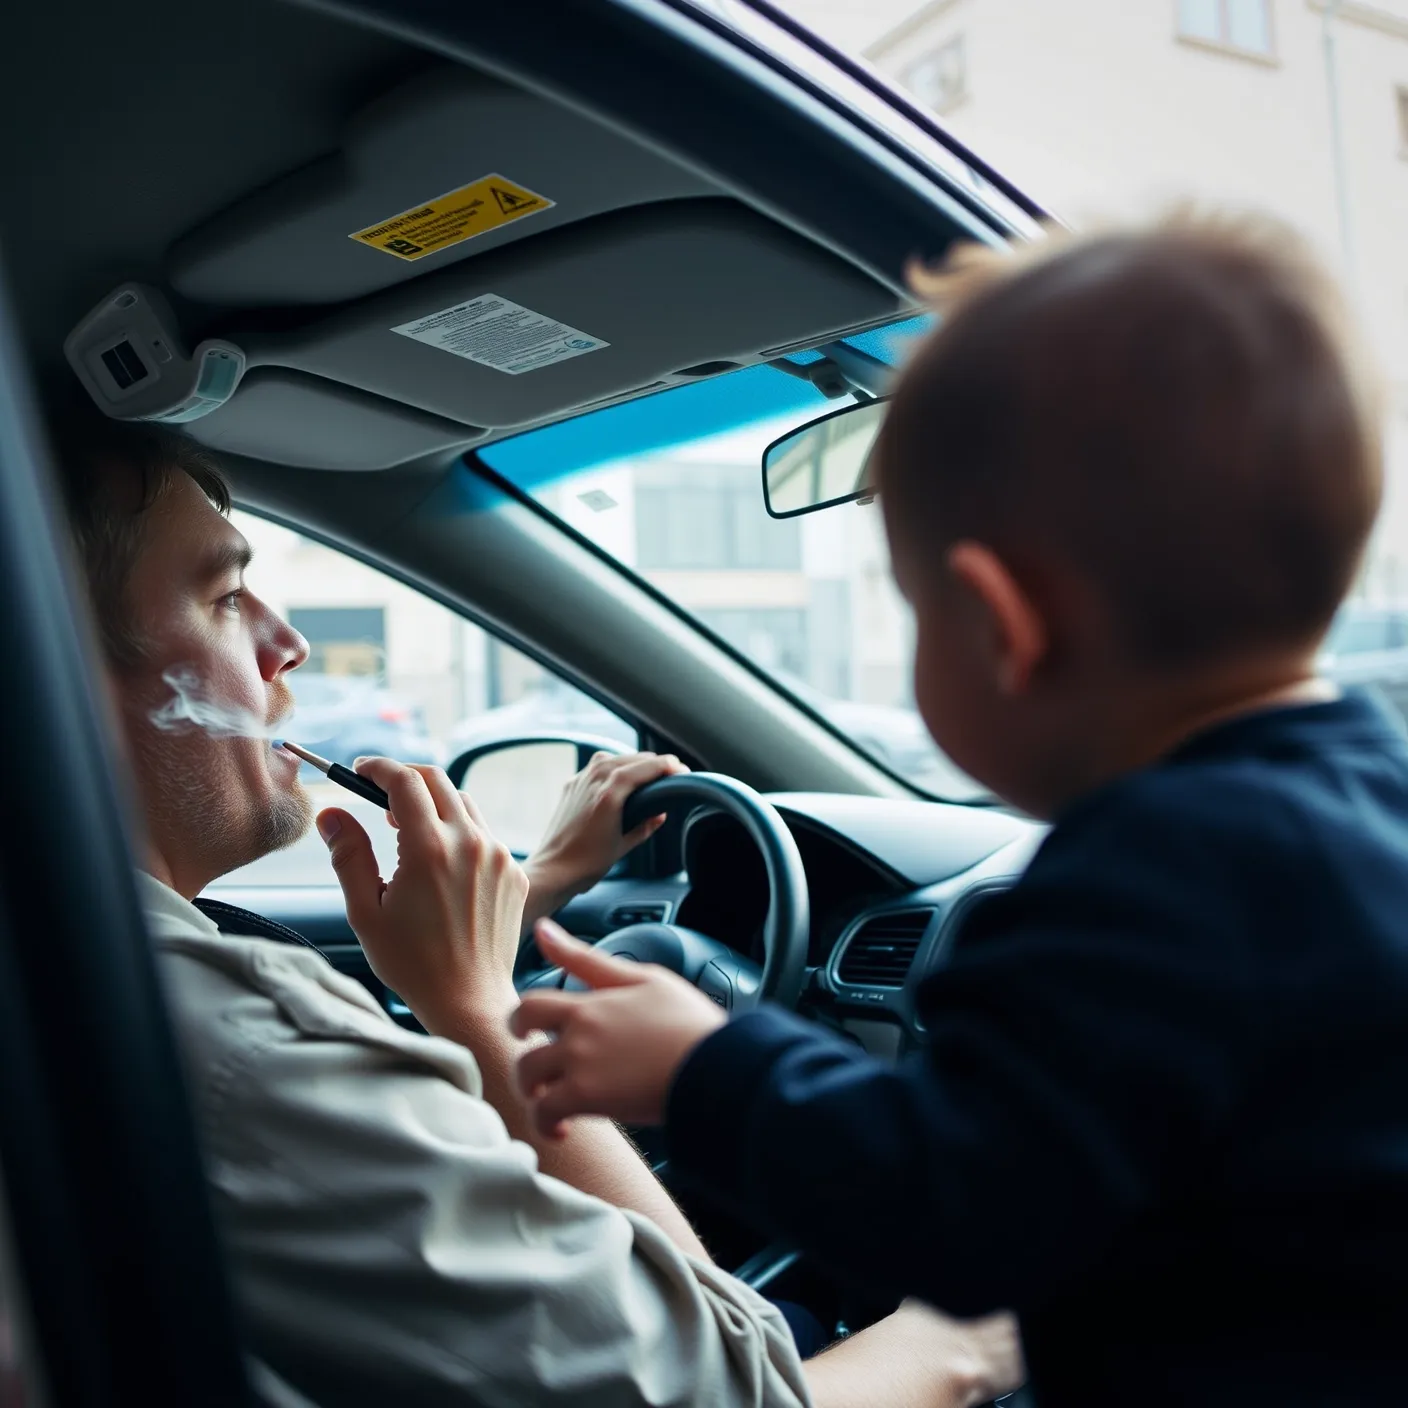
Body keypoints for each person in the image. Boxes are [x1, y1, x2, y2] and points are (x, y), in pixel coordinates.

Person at [510, 209, 1408, 1407]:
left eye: (917, 614)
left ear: (1001, 626)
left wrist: (709, 1069)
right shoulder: (1373, 800)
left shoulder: (1135, 878)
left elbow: (968, 1211)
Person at [49, 409, 1023, 1408]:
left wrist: (540, 885)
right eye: (222, 597)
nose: (288, 641)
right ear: (53, 668)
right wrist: (969, 1331)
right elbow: (741, 1390)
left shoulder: (103, 975)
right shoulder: (230, 1043)